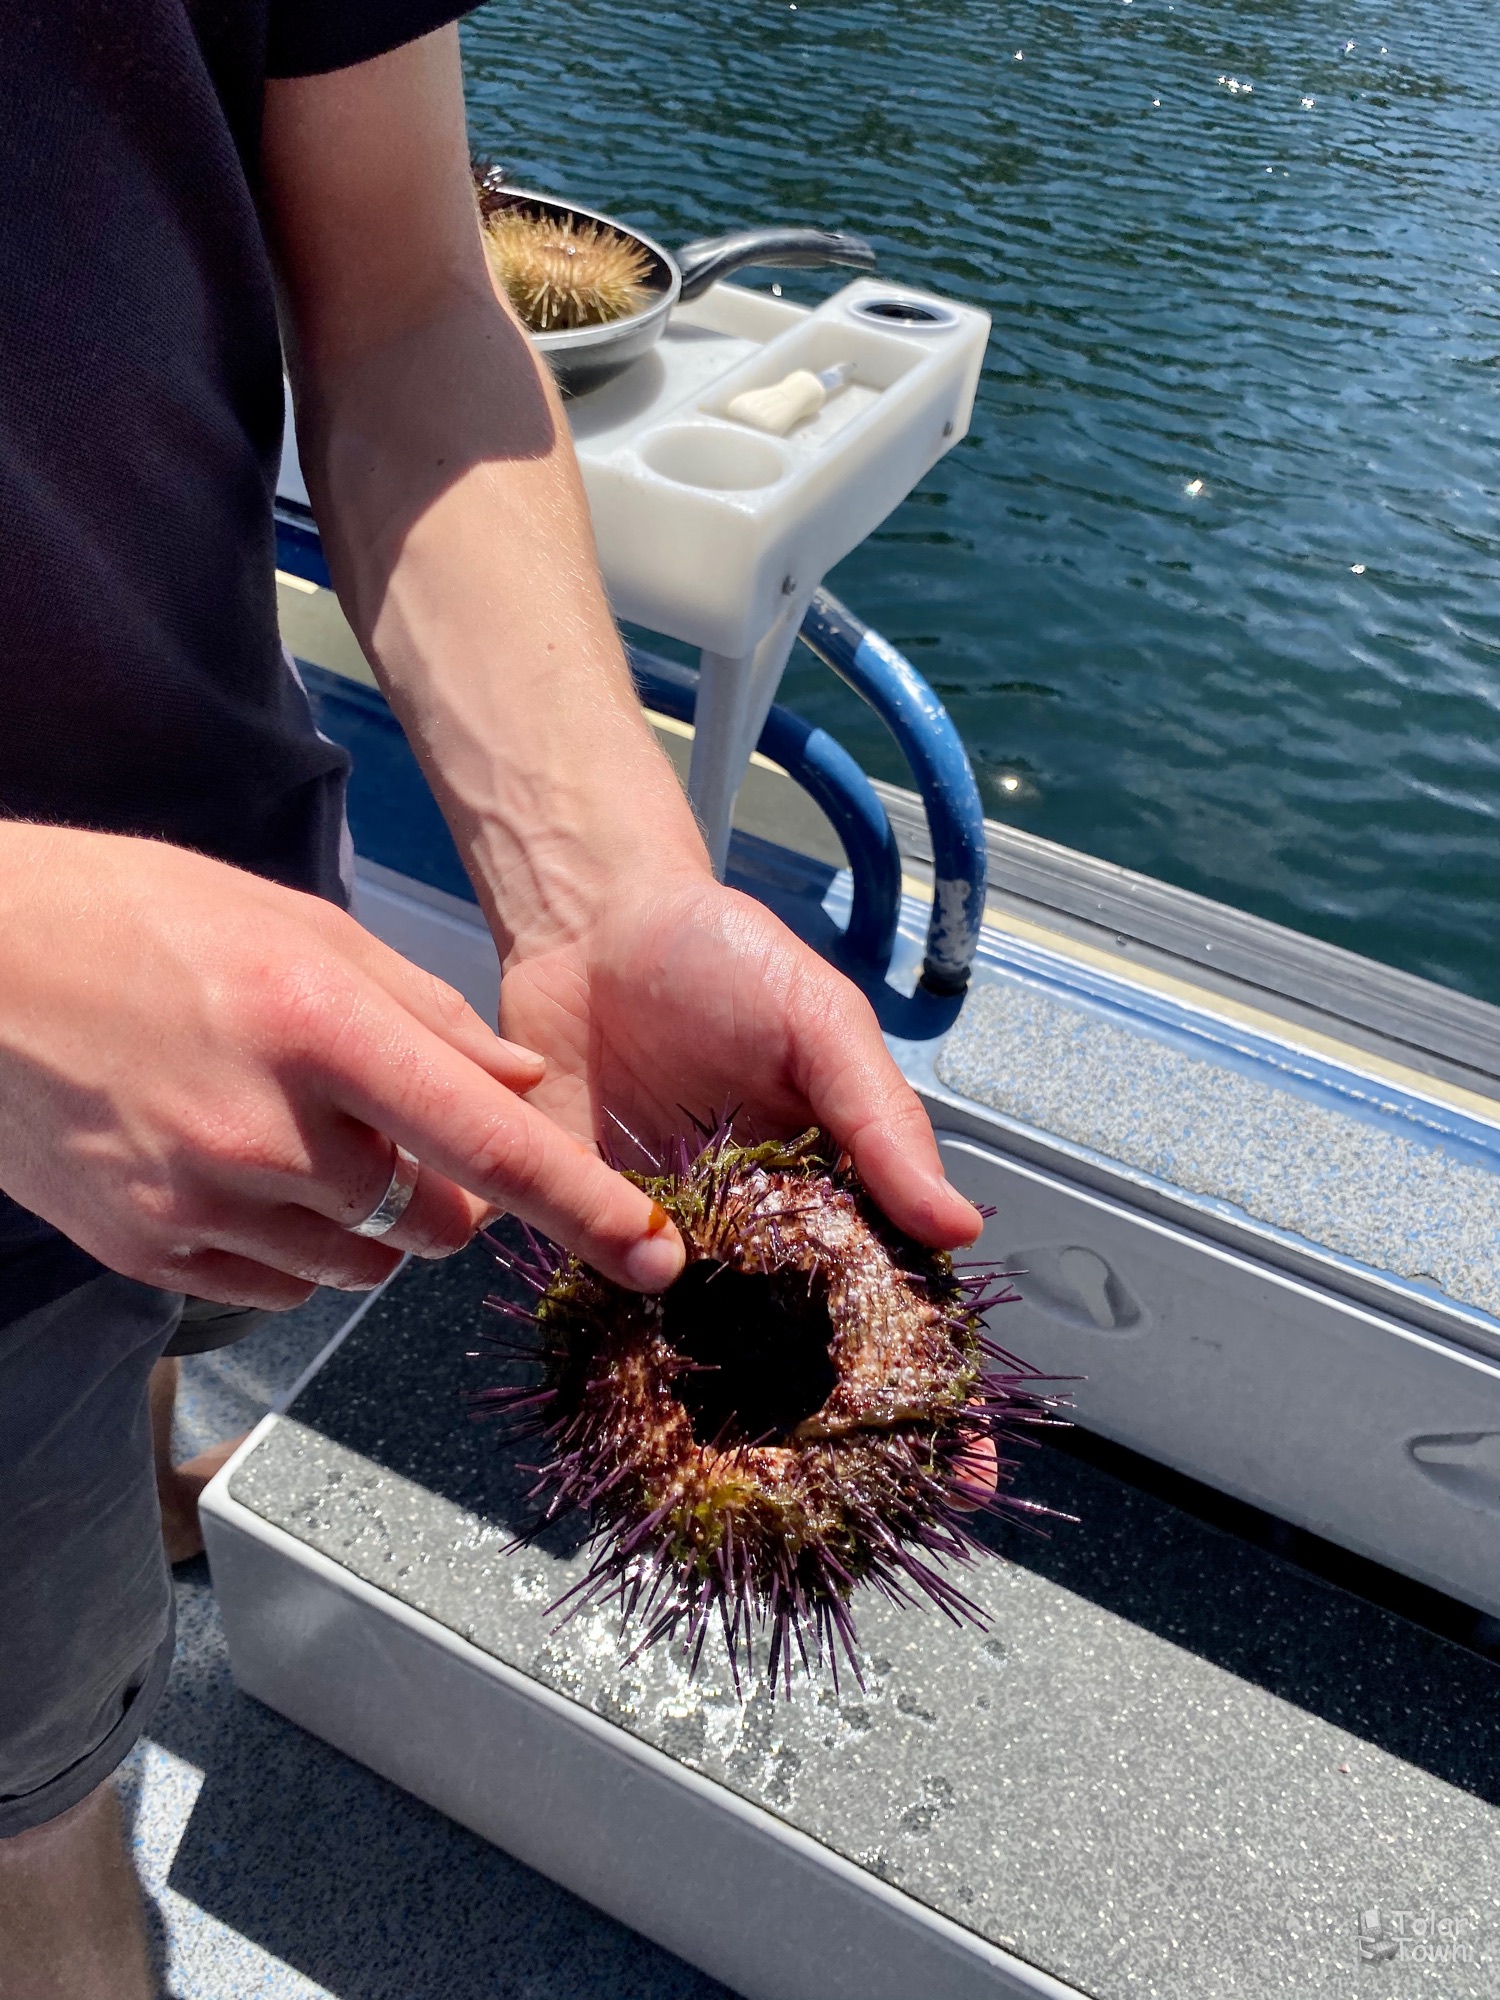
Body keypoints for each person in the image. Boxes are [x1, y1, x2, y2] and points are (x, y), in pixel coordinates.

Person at [0, 9, 984, 1992]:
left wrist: (604, 872)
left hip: (260, 898)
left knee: (189, 1305)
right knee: (35, 1814)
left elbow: (401, 298)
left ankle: (154, 1459)